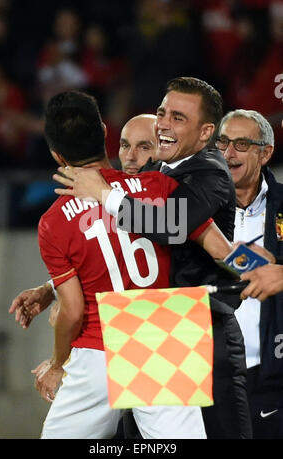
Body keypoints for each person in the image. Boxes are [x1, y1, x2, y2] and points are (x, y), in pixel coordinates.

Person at [53, 77, 252, 439]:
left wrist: (105, 194)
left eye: (178, 117)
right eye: (162, 112)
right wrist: (48, 288)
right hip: (151, 327)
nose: (163, 123)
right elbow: (120, 246)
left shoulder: (209, 172)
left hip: (205, 328)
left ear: (206, 132)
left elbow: (174, 227)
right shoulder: (159, 175)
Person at [8, 113, 157, 328]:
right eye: (124, 145)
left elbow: (169, 228)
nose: (130, 157)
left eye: (144, 147)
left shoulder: (169, 192)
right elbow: (113, 260)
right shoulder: (114, 195)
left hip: (172, 328)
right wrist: (52, 288)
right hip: (135, 332)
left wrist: (57, 361)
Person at [213, 108, 283, 439]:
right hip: (208, 375)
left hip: (272, 378)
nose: (228, 153)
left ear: (265, 153)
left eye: (241, 143)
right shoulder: (199, 206)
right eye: (223, 142)